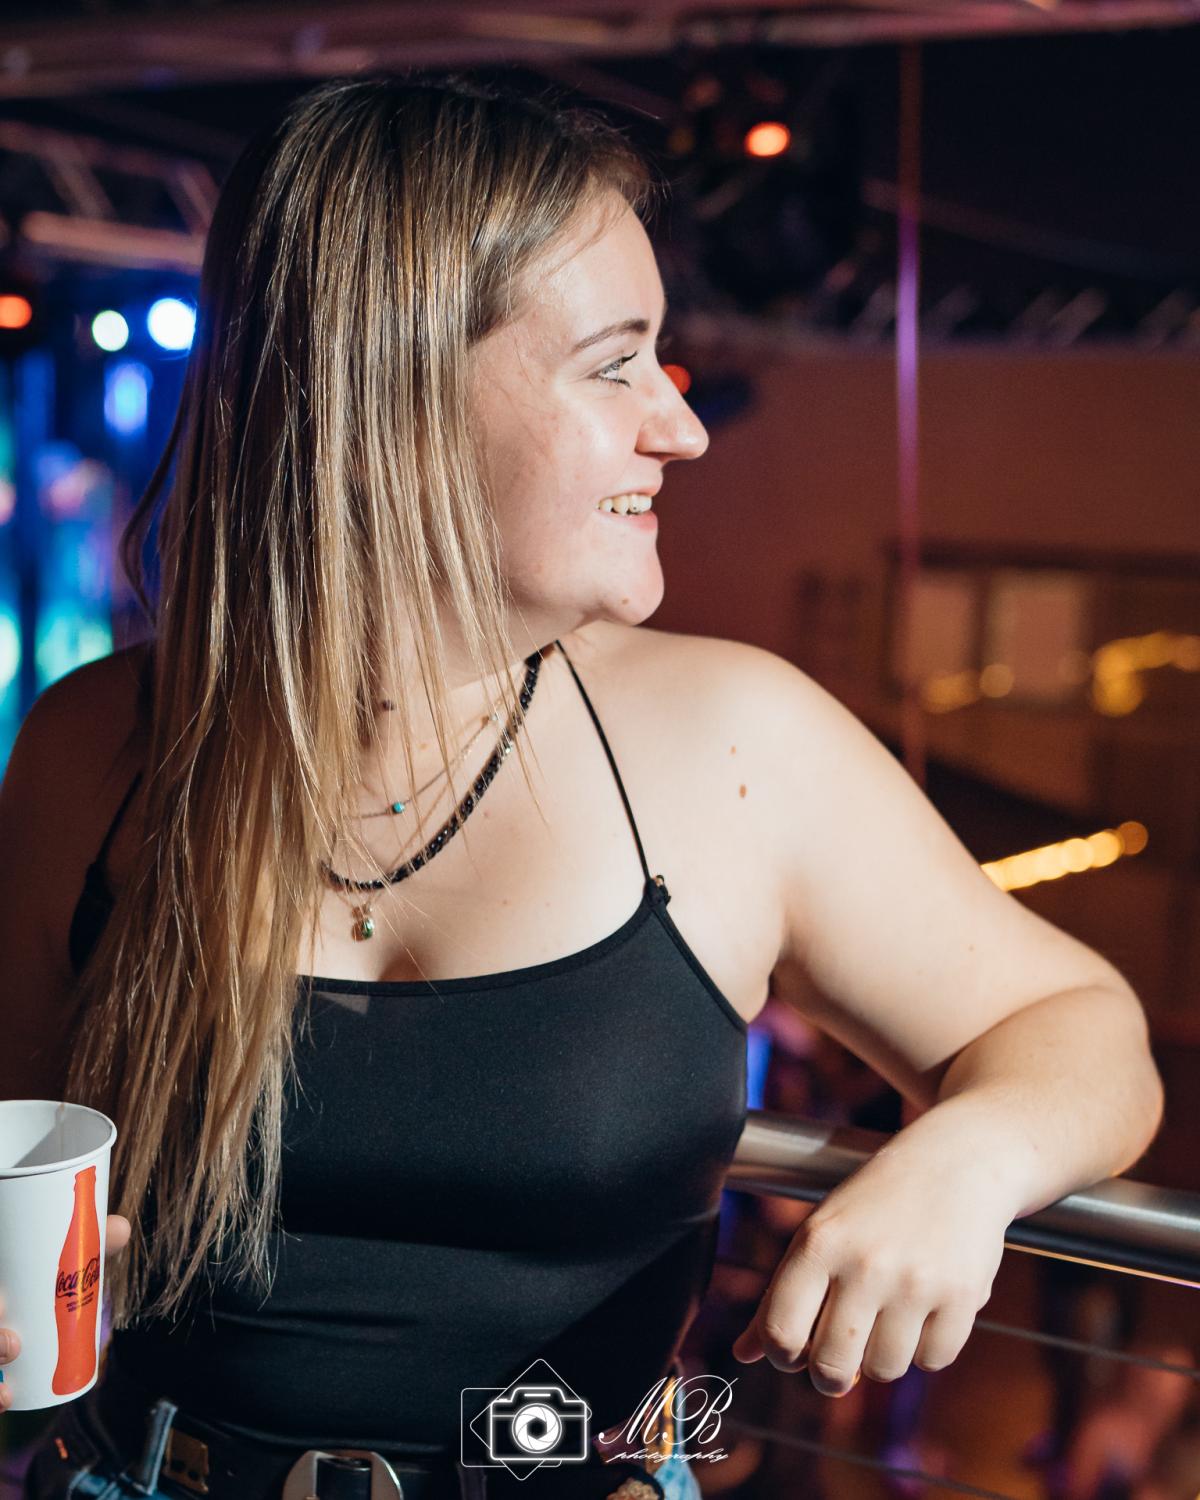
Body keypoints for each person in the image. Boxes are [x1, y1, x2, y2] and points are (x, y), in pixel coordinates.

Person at [0, 70, 1165, 1500]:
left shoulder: (738, 742)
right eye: (616, 364)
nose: (682, 427)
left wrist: (967, 1160)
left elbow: (1080, 1029)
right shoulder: (98, 743)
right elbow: (20, 1129)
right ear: (398, 393)